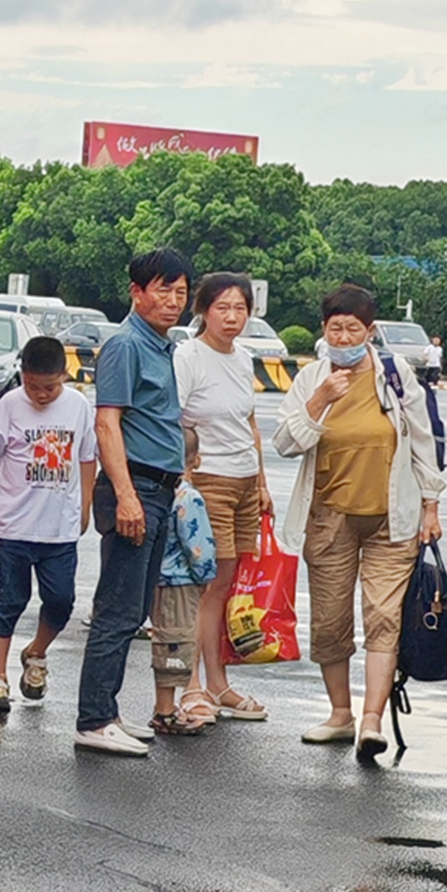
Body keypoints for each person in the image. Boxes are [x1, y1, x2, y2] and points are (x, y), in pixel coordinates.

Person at [271, 282, 444, 762]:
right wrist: (321, 398)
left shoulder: (395, 373)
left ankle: (372, 718)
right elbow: (286, 442)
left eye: (353, 328)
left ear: (370, 331)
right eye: (335, 328)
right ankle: (340, 713)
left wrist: (431, 505)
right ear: (323, 330)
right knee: (330, 618)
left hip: (393, 514)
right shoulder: (312, 377)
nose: (344, 337)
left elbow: (423, 440)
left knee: (385, 616)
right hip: (329, 515)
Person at [75, 247, 194, 756]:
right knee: (118, 610)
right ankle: (94, 717)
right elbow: (107, 424)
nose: (173, 301)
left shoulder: (162, 345)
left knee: (135, 608)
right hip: (136, 488)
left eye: (181, 292)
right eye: (163, 290)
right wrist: (126, 497)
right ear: (137, 292)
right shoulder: (126, 345)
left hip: (159, 489)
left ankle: (109, 710)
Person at [0, 333, 96, 720]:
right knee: (5, 601)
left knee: (61, 601)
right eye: (33, 385)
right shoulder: (9, 405)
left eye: (50, 387)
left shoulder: (78, 406)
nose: (40, 394)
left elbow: (88, 458)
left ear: (65, 376)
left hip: (59, 528)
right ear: (22, 375)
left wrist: (86, 503)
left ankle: (36, 652)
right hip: (12, 526)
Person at [176, 273, 271, 722]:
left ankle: (218, 684)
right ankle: (191, 686)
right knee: (203, 587)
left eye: (240, 308)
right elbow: (173, 421)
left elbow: (249, 425)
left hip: (244, 481)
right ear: (203, 310)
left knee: (225, 587)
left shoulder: (244, 358)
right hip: (207, 479)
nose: (232, 317)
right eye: (223, 308)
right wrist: (185, 479)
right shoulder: (188, 356)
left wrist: (263, 484)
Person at [148, 432, 220, 735]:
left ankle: (165, 706)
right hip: (180, 580)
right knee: (176, 642)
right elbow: (197, 542)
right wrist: (207, 574)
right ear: (197, 460)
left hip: (156, 578)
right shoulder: (188, 496)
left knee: (164, 637)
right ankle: (165, 710)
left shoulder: (158, 491)